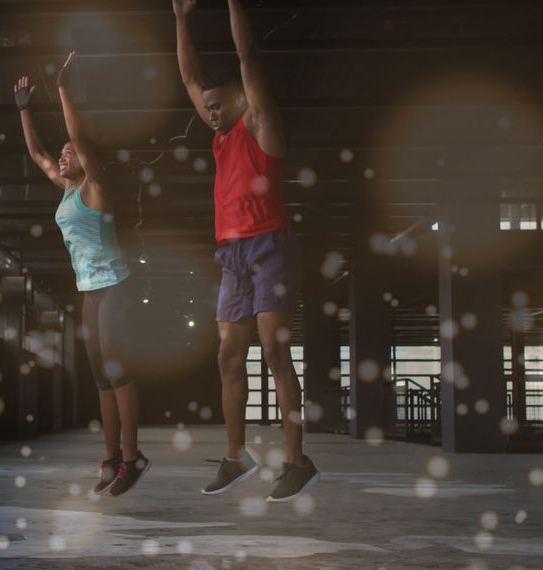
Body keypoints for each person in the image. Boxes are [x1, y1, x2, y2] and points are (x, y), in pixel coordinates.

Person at [173, 0, 319, 502]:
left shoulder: (261, 125)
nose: (210, 112)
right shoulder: (219, 132)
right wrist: (181, 18)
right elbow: (192, 78)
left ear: (241, 98)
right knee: (229, 356)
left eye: (219, 104)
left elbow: (249, 53)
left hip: (271, 247)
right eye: (208, 107)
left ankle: (298, 462)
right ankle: (237, 457)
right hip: (231, 255)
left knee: (275, 352)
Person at [13, 52, 149, 496]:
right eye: (65, 155)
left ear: (87, 161)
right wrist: (25, 109)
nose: (65, 155)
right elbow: (36, 153)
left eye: (72, 153)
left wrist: (64, 90)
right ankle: (110, 457)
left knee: (117, 368)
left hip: (116, 286)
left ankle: (133, 456)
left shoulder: (95, 186)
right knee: (98, 374)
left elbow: (77, 136)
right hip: (89, 290)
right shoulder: (66, 190)